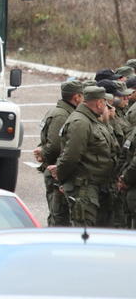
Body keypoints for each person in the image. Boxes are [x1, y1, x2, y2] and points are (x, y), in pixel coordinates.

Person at [50, 86, 117, 227]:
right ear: (99, 103)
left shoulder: (91, 120)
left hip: (96, 186)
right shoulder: (80, 122)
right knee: (85, 231)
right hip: (83, 188)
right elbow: (71, 156)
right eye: (104, 102)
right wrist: (62, 177)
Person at [33, 79, 85, 226]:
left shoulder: (58, 111)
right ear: (76, 97)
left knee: (58, 215)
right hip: (56, 171)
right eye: (82, 96)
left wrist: (42, 150)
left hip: (55, 169)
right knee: (59, 218)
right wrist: (44, 154)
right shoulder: (62, 115)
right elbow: (55, 146)